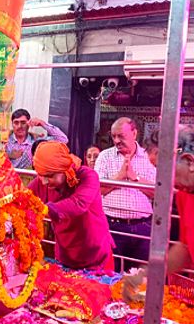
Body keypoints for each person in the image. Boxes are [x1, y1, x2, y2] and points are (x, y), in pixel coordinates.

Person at [123, 126, 194, 301]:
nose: (161, 180)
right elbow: (185, 247)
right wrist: (147, 274)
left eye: (164, 171)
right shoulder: (185, 195)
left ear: (189, 161)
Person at [28, 141, 115, 271]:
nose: (44, 181)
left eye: (49, 176)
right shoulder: (43, 180)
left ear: (64, 170)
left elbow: (79, 203)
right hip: (66, 256)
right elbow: (25, 197)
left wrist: (44, 209)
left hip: (95, 256)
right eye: (41, 175)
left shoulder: (87, 176)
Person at [95, 117, 156, 271]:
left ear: (134, 133)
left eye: (121, 136)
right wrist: (120, 177)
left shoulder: (149, 157)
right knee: (109, 273)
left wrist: (134, 177)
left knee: (141, 278)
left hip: (143, 226)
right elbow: (97, 189)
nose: (116, 140)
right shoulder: (104, 156)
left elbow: (156, 192)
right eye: (113, 136)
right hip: (112, 225)